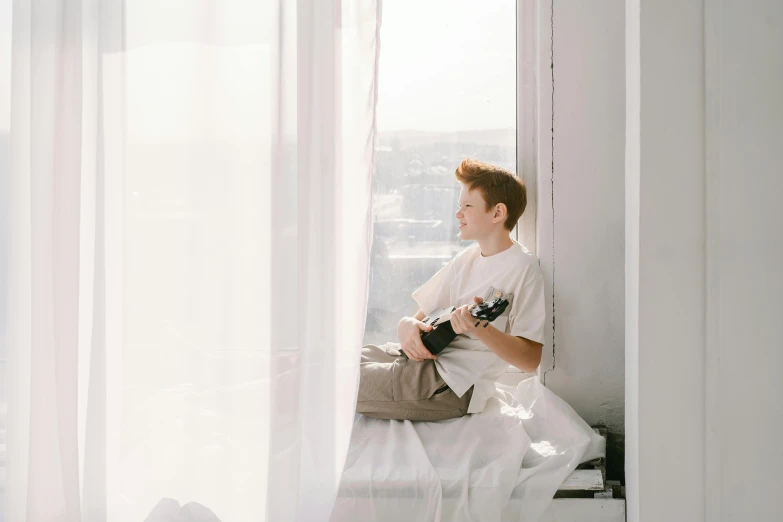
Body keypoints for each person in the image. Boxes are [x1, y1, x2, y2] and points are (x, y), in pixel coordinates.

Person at [356, 158, 546, 421]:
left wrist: (480, 328)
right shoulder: (467, 258)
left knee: (330, 385)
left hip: (449, 386)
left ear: (497, 213)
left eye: (467, 206)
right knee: (327, 363)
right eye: (460, 206)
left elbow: (529, 361)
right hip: (423, 360)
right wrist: (407, 324)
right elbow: (421, 316)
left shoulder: (524, 268)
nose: (458, 214)